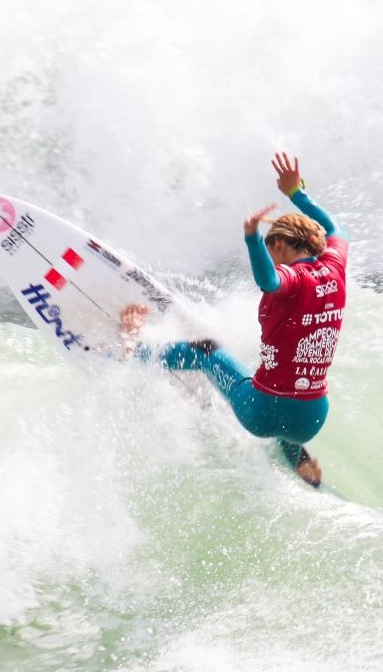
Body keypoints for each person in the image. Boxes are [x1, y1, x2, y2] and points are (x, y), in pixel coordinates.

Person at [132, 153, 349, 486]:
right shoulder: (334, 268)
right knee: (285, 397)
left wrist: (251, 238)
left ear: (277, 243)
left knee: (206, 351)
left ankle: (134, 350)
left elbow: (270, 282)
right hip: (311, 417)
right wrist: (297, 193)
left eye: (269, 247)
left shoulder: (293, 279)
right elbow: (336, 229)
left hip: (261, 413)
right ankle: (303, 467)